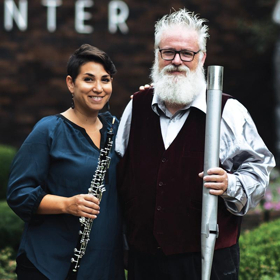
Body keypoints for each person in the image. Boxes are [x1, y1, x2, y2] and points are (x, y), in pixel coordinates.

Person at [115, 8, 275, 280]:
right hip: (144, 262)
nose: (177, 61)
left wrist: (230, 185)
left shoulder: (228, 110)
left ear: (202, 58)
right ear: (157, 55)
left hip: (208, 260)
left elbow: (259, 170)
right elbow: (119, 171)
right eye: (168, 52)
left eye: (186, 53)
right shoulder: (136, 106)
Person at [7, 44, 125, 280]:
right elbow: (19, 193)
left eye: (105, 80)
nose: (99, 88)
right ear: (71, 83)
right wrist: (67, 204)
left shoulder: (118, 129)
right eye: (89, 79)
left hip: (104, 264)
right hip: (51, 264)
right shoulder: (48, 130)